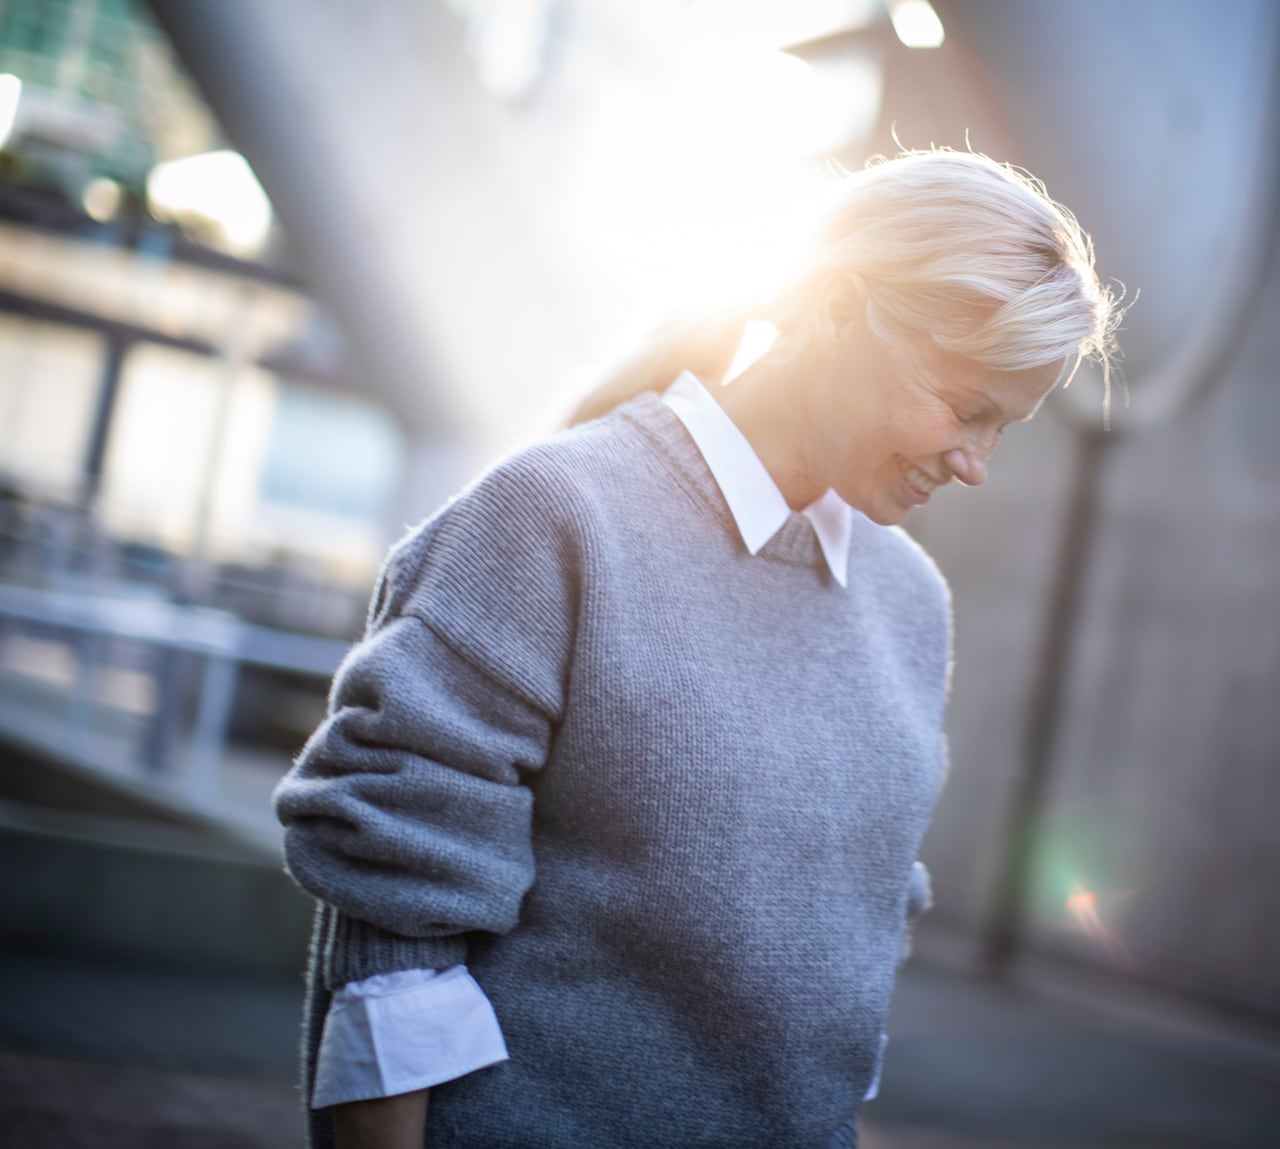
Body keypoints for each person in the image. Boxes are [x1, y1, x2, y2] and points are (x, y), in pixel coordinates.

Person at [273, 148, 1118, 1149]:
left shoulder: (908, 603)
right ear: (841, 307)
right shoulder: (550, 517)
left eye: (1003, 428)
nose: (974, 464)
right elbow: (393, 928)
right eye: (965, 406)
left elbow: (841, 974)